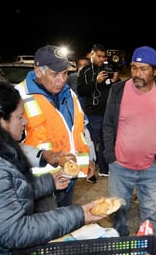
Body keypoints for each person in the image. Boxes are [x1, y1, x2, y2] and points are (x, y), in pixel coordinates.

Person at [0, 81, 105, 255]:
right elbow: (16, 231)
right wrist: (79, 215)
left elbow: (3, 194)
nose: (25, 122)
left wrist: (49, 182)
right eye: (20, 117)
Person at [103, 46, 156, 236]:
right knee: (117, 213)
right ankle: (118, 251)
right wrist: (110, 156)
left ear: (155, 71)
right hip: (120, 167)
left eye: (143, 69)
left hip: (151, 168)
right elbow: (108, 125)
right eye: (134, 68)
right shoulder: (118, 91)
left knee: (151, 214)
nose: (137, 73)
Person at [15, 44, 96, 207]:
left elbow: (82, 128)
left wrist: (90, 158)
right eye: (55, 74)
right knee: (46, 229)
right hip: (40, 185)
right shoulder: (18, 96)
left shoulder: (69, 93)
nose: (62, 80)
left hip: (69, 178)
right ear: (38, 72)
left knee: (65, 227)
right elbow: (9, 145)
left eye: (65, 73)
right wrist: (45, 156)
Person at [77, 44, 121, 178]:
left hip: (107, 112)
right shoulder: (85, 71)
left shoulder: (107, 68)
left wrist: (114, 81)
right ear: (92, 54)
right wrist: (96, 82)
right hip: (93, 112)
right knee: (90, 141)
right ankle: (86, 168)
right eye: (99, 56)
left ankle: (103, 169)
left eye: (104, 57)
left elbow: (113, 88)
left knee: (106, 141)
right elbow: (81, 91)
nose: (102, 59)